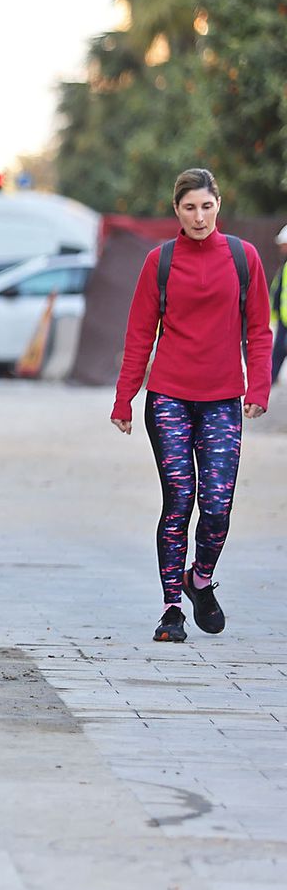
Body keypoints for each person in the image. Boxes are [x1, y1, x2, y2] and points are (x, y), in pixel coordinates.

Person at [112, 168, 271, 644]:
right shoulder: (159, 262)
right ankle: (171, 609)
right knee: (180, 500)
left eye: (206, 206)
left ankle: (199, 578)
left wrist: (258, 389)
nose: (199, 216)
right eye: (189, 208)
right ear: (176, 210)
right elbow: (140, 334)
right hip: (169, 399)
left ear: (218, 204)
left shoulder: (244, 258)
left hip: (223, 400)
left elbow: (259, 330)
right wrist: (125, 397)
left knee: (218, 506)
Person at [271, 224, 287, 384]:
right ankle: (270, 380)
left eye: (283, 245)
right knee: (277, 354)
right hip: (283, 320)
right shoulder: (284, 266)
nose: (282, 249)